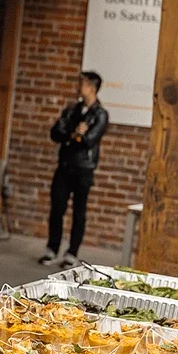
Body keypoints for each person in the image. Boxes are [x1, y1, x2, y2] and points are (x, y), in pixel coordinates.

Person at [38, 71, 109, 267]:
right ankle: (52, 248)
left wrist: (77, 136)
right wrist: (73, 134)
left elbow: (89, 140)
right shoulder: (72, 110)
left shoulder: (100, 114)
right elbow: (56, 133)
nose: (79, 86)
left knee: (79, 212)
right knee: (57, 208)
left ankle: (72, 252)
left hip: (84, 168)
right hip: (65, 165)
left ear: (91, 88)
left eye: (83, 84)